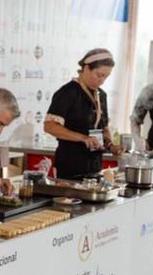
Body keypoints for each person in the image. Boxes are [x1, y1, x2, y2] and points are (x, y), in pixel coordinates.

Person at [44, 48, 123, 179]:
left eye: (106, 76)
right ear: (86, 69)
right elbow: (50, 126)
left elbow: (103, 128)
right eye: (99, 75)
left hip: (95, 164)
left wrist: (110, 145)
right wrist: (83, 138)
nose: (102, 81)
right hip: (70, 164)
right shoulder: (67, 93)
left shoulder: (101, 95)